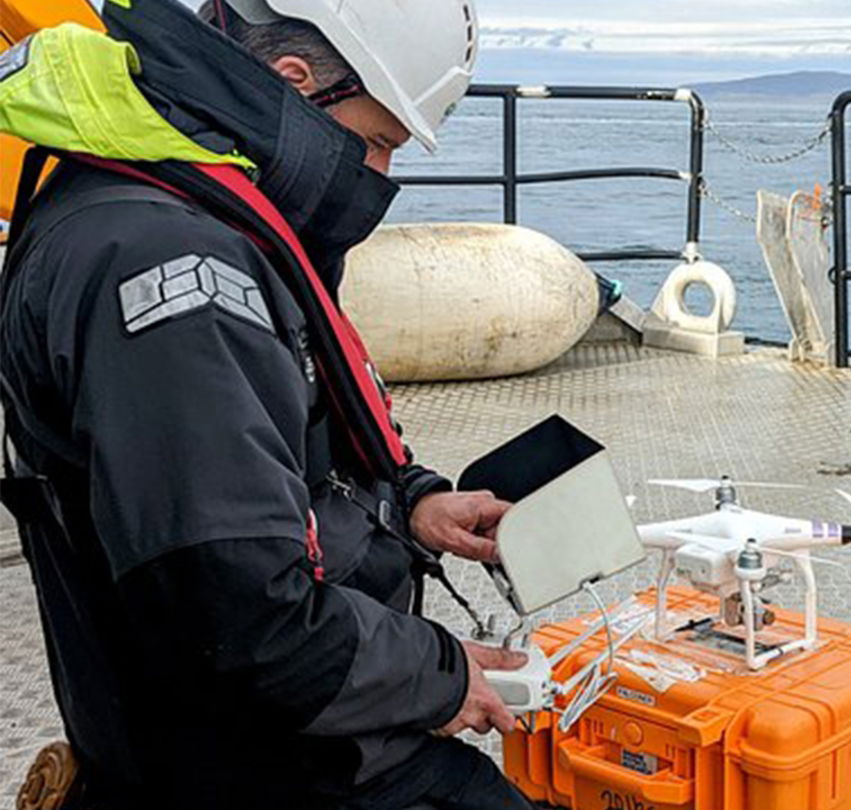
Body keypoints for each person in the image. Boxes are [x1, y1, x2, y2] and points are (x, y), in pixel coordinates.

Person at [0, 0, 536, 807]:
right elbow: (241, 615)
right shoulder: (173, 266)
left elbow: (266, 472)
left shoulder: (165, 204)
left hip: (272, 735)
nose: (381, 175)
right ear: (296, 84)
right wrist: (440, 675)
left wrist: (412, 504)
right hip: (271, 767)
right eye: (381, 141)